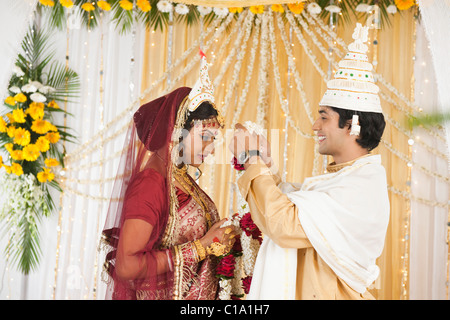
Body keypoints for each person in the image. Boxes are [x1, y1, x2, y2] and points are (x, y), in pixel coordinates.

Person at [229, 23, 390, 300]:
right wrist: (267, 167)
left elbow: (284, 225)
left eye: (324, 117)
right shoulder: (346, 178)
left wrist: (254, 160)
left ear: (353, 126)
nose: (315, 125)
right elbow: (301, 209)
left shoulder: (362, 187)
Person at [101, 52, 236, 300]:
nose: (212, 147)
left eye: (213, 139)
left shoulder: (181, 178)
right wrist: (200, 248)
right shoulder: (150, 185)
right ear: (176, 132)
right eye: (205, 138)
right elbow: (126, 266)